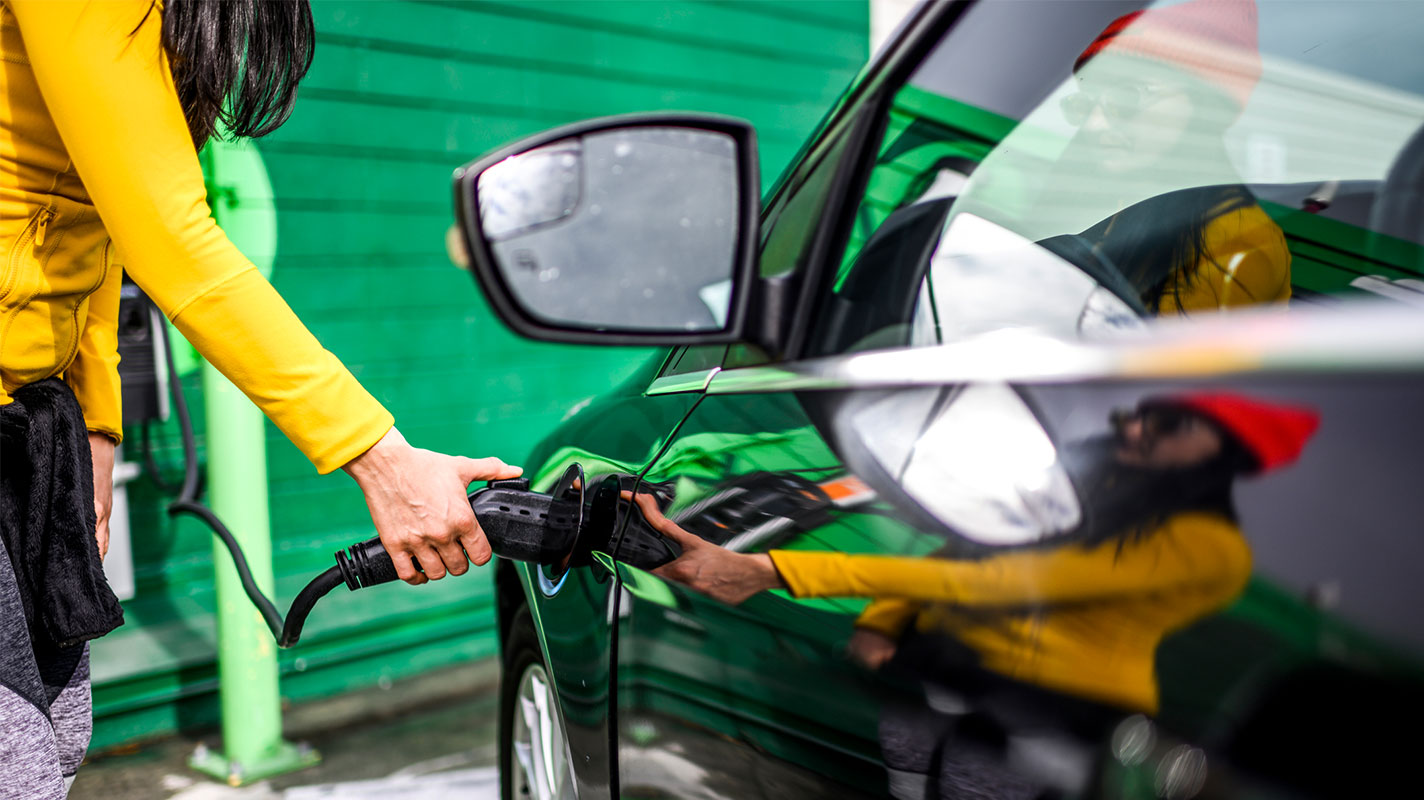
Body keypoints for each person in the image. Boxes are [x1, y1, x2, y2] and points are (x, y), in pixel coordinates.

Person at [0, 2, 516, 796]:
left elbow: (108, 220)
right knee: (18, 759)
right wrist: (383, 462)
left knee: (59, 734)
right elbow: (175, 240)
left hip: (30, 421)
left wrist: (95, 427)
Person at [634, 392, 1319, 796]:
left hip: (1047, 714)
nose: (1132, 428)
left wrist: (775, 570)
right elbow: (973, 542)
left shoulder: (1210, 548)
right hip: (943, 673)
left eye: (1167, 426)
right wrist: (884, 619)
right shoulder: (1109, 485)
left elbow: (1001, 583)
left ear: (1219, 454)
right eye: (1141, 413)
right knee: (908, 768)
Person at [1040, 0, 1292, 314]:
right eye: (1086, 102)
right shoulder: (1112, 198)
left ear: (1204, 107)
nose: (1095, 124)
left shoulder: (1235, 243)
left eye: (1127, 97)